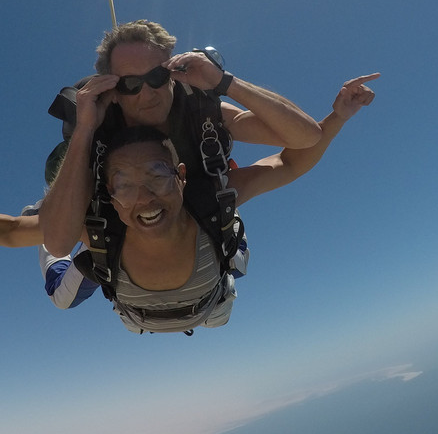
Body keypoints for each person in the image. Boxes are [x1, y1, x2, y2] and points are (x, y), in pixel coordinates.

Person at [0, 74, 378, 333]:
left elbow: (289, 162)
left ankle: (51, 214)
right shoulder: (102, 226)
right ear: (108, 196)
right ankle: (51, 212)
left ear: (180, 177)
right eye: (125, 186)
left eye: (156, 175)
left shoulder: (208, 202)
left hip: (200, 307)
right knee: (60, 277)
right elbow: (6, 232)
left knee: (219, 296)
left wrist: (337, 117)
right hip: (142, 297)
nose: (145, 196)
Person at [40, 20, 322, 258]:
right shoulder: (99, 130)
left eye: (157, 76)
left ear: (174, 74)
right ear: (113, 90)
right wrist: (85, 130)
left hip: (200, 232)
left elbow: (306, 136)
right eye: (130, 84)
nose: (147, 93)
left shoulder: (203, 112)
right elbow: (57, 243)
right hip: (130, 252)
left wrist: (224, 82)